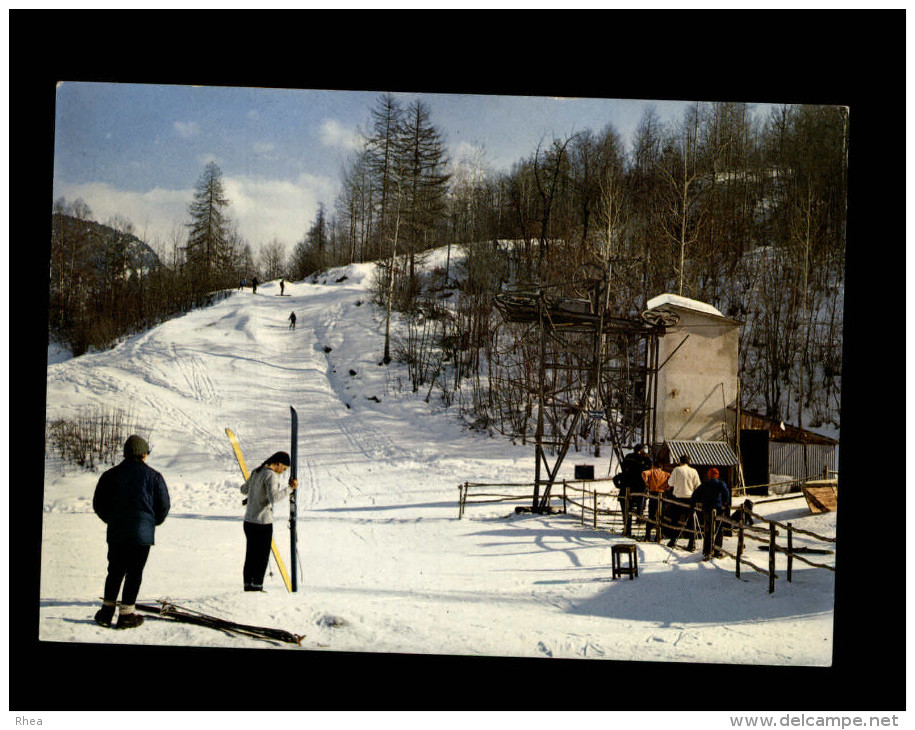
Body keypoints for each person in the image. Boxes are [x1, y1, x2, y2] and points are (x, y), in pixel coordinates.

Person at [92, 435, 171, 629]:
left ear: (126, 453)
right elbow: (163, 506)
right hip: (141, 535)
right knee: (134, 573)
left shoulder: (110, 475)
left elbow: (98, 503)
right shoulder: (154, 476)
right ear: (144, 454)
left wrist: (111, 520)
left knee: (115, 570)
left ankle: (106, 612)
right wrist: (151, 523)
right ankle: (126, 615)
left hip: (117, 532)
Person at [240, 451, 298, 592]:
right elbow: (274, 498)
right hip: (263, 523)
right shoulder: (271, 475)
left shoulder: (257, 471)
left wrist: (255, 493)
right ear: (278, 463)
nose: (282, 472)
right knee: (261, 557)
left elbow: (243, 489)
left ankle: (248, 585)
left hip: (249, 521)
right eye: (283, 469)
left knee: (251, 556)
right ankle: (257, 586)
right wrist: (291, 488)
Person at [690, 468, 731, 559]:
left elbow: (695, 494)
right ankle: (717, 550)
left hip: (707, 509)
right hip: (718, 509)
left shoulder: (704, 484)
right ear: (717, 475)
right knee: (718, 530)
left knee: (708, 529)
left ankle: (707, 551)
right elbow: (726, 493)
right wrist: (726, 503)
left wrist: (693, 503)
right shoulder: (720, 483)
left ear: (709, 475)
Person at [666, 454, 702, 549]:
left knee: (675, 520)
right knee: (690, 521)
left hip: (678, 497)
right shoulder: (694, 471)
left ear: (680, 461)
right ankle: (691, 542)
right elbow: (698, 486)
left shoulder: (676, 470)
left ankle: (673, 540)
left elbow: (670, 483)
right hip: (689, 498)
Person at [642, 459, 670, 541]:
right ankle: (660, 535)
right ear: (661, 467)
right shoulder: (665, 474)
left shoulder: (652, 471)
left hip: (653, 494)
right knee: (661, 515)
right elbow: (671, 478)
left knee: (651, 514)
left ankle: (647, 535)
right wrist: (668, 486)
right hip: (662, 494)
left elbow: (644, 473)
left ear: (654, 465)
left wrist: (647, 483)